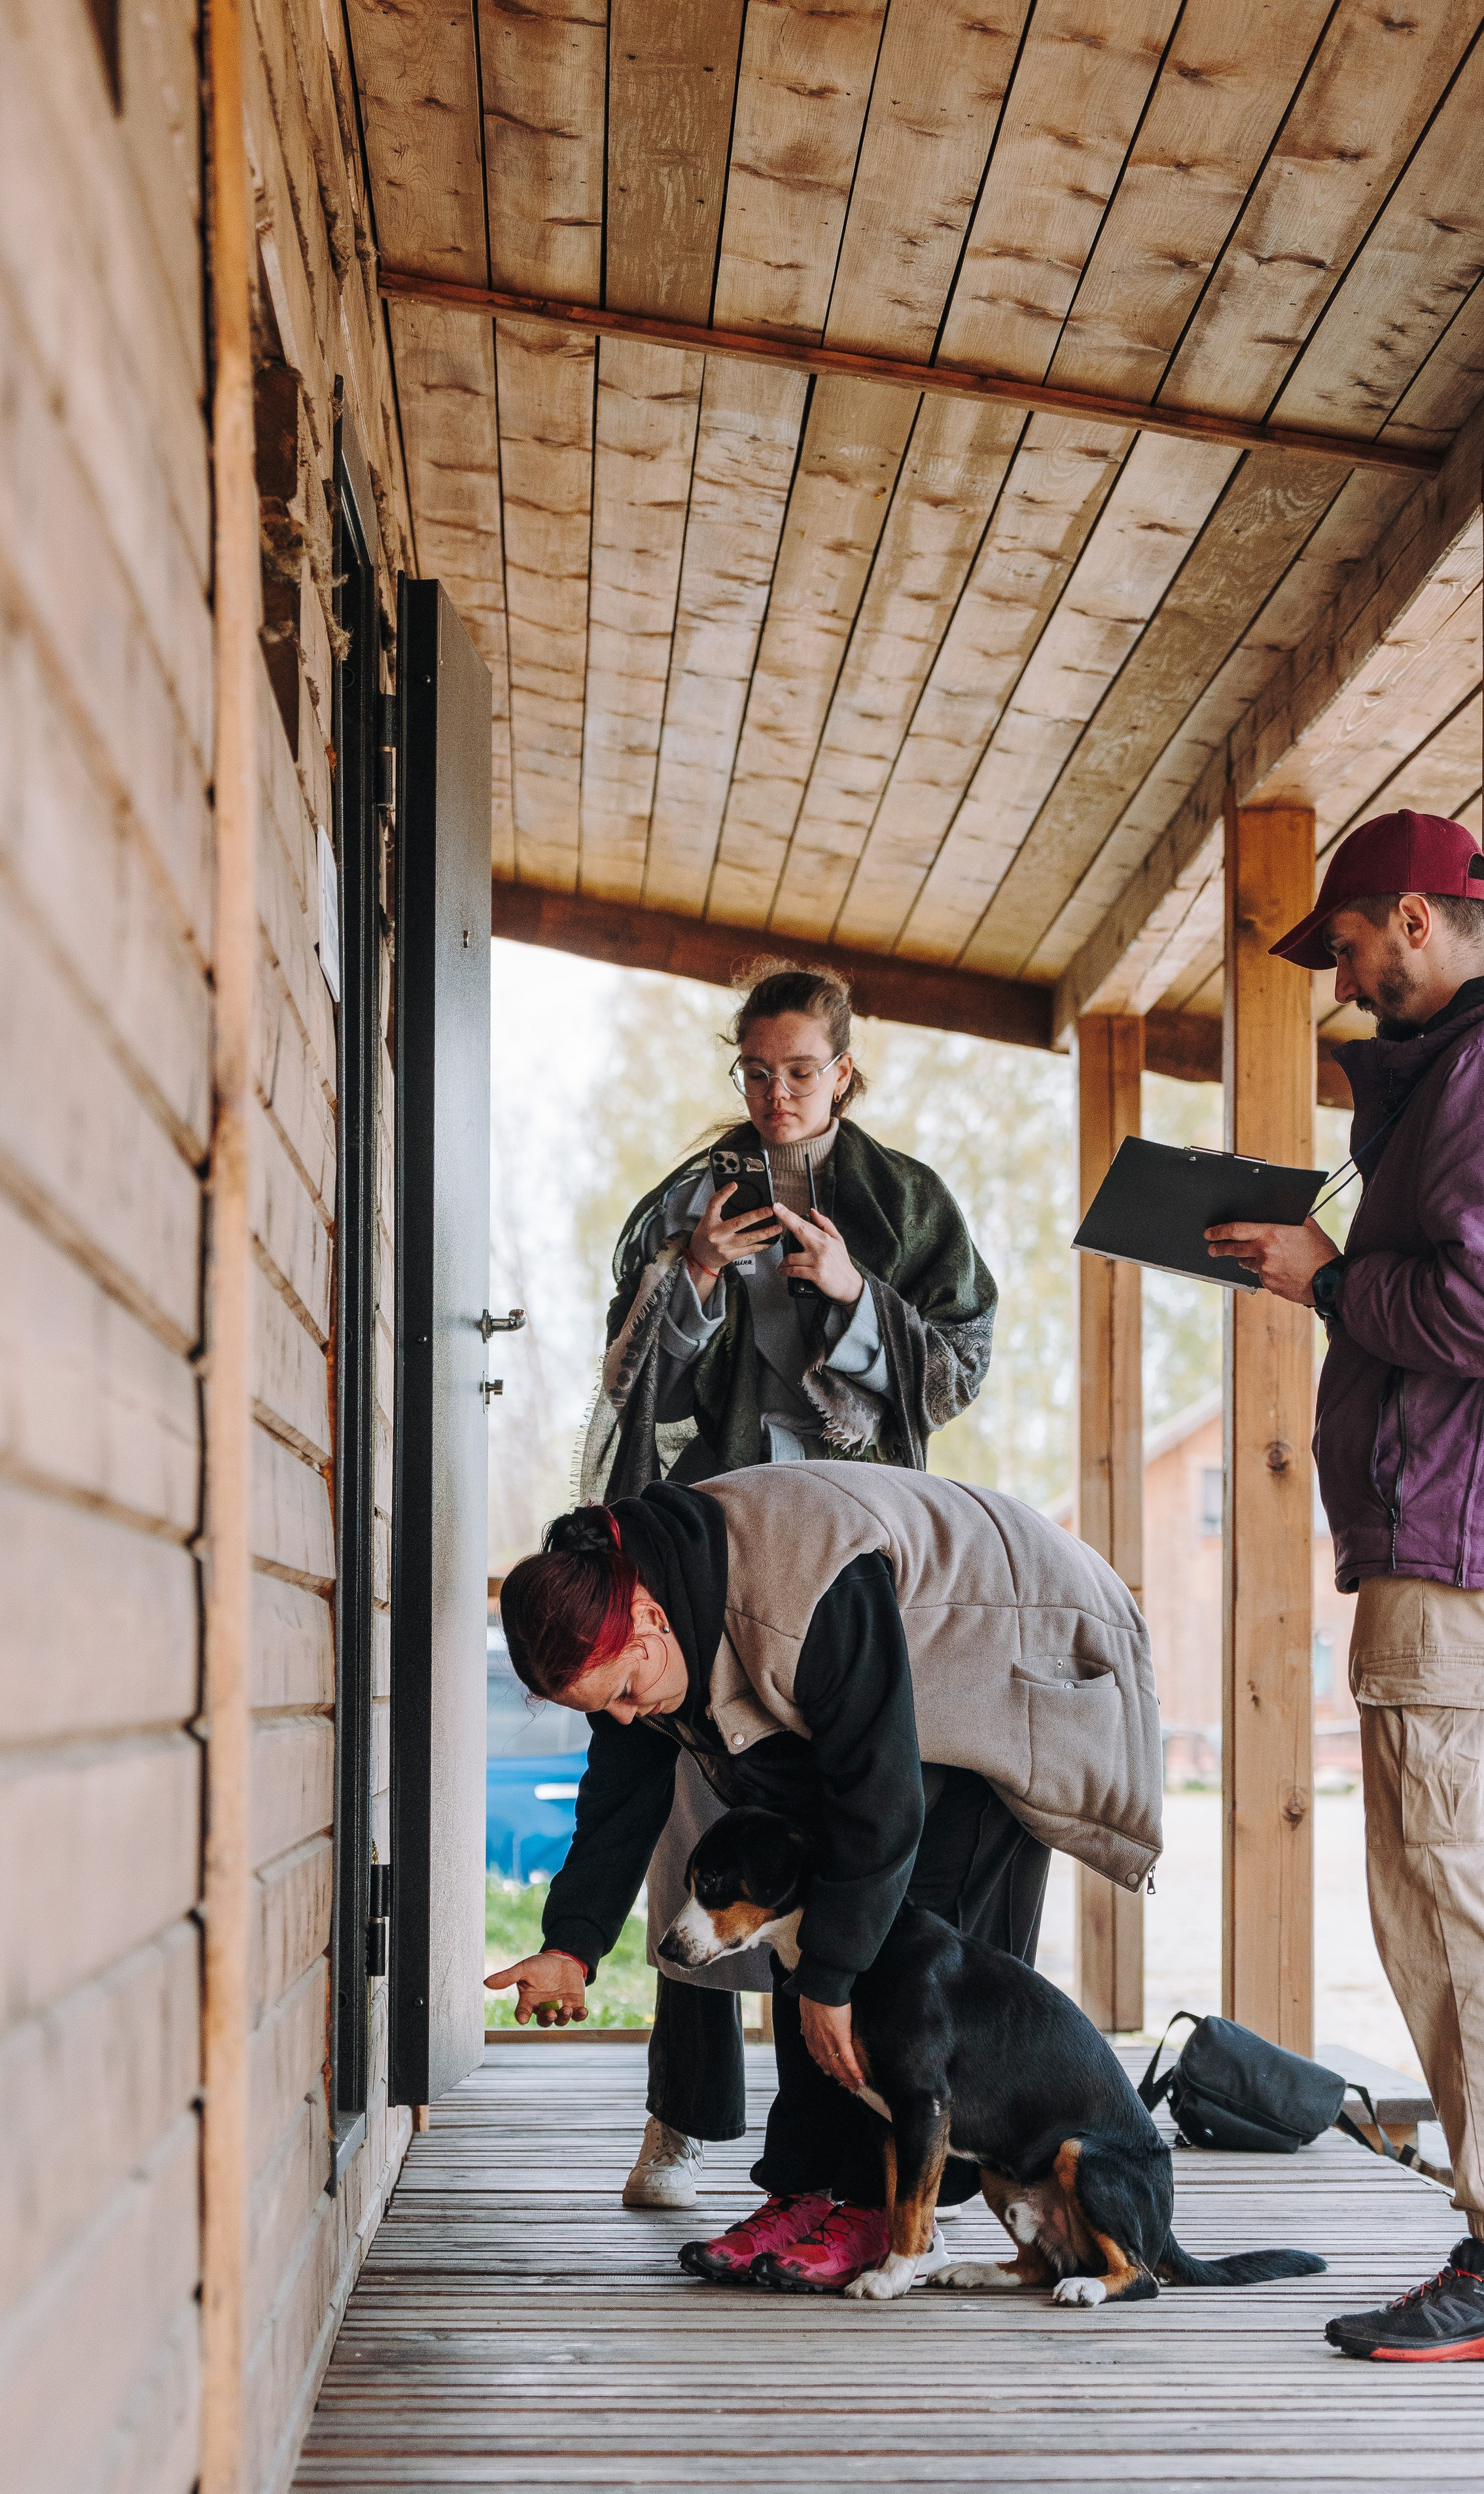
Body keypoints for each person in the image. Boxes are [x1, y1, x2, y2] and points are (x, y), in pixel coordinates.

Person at [1204, 806, 1484, 2363]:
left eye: (1343, 945)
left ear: (1409, 914)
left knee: (1453, 1912)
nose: (1338, 979)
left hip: (1454, 1545)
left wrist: (1322, 1274)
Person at [484, 1461, 1160, 2292]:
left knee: (902, 1971)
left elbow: (882, 1804)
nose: (625, 1715)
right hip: (889, 1691)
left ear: (650, 1617)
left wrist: (833, 1974)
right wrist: (572, 1945)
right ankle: (806, 2189)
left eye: (625, 1690)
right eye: (605, 1708)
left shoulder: (802, 1594)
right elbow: (619, 1799)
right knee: (804, 1935)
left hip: (1012, 1654)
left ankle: (888, 2217)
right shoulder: (630, 1621)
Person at [575, 961, 997, 2211]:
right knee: (692, 1829)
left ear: (844, 1070)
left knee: (855, 1815)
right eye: (754, 1071)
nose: (775, 1093)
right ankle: (682, 2116)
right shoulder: (686, 1197)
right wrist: (694, 1276)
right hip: (714, 1544)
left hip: (856, 1555)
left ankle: (852, 2140)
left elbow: (962, 1364)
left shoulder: (908, 1201)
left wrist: (857, 1296)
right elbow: (627, 1377)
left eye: (800, 1070)